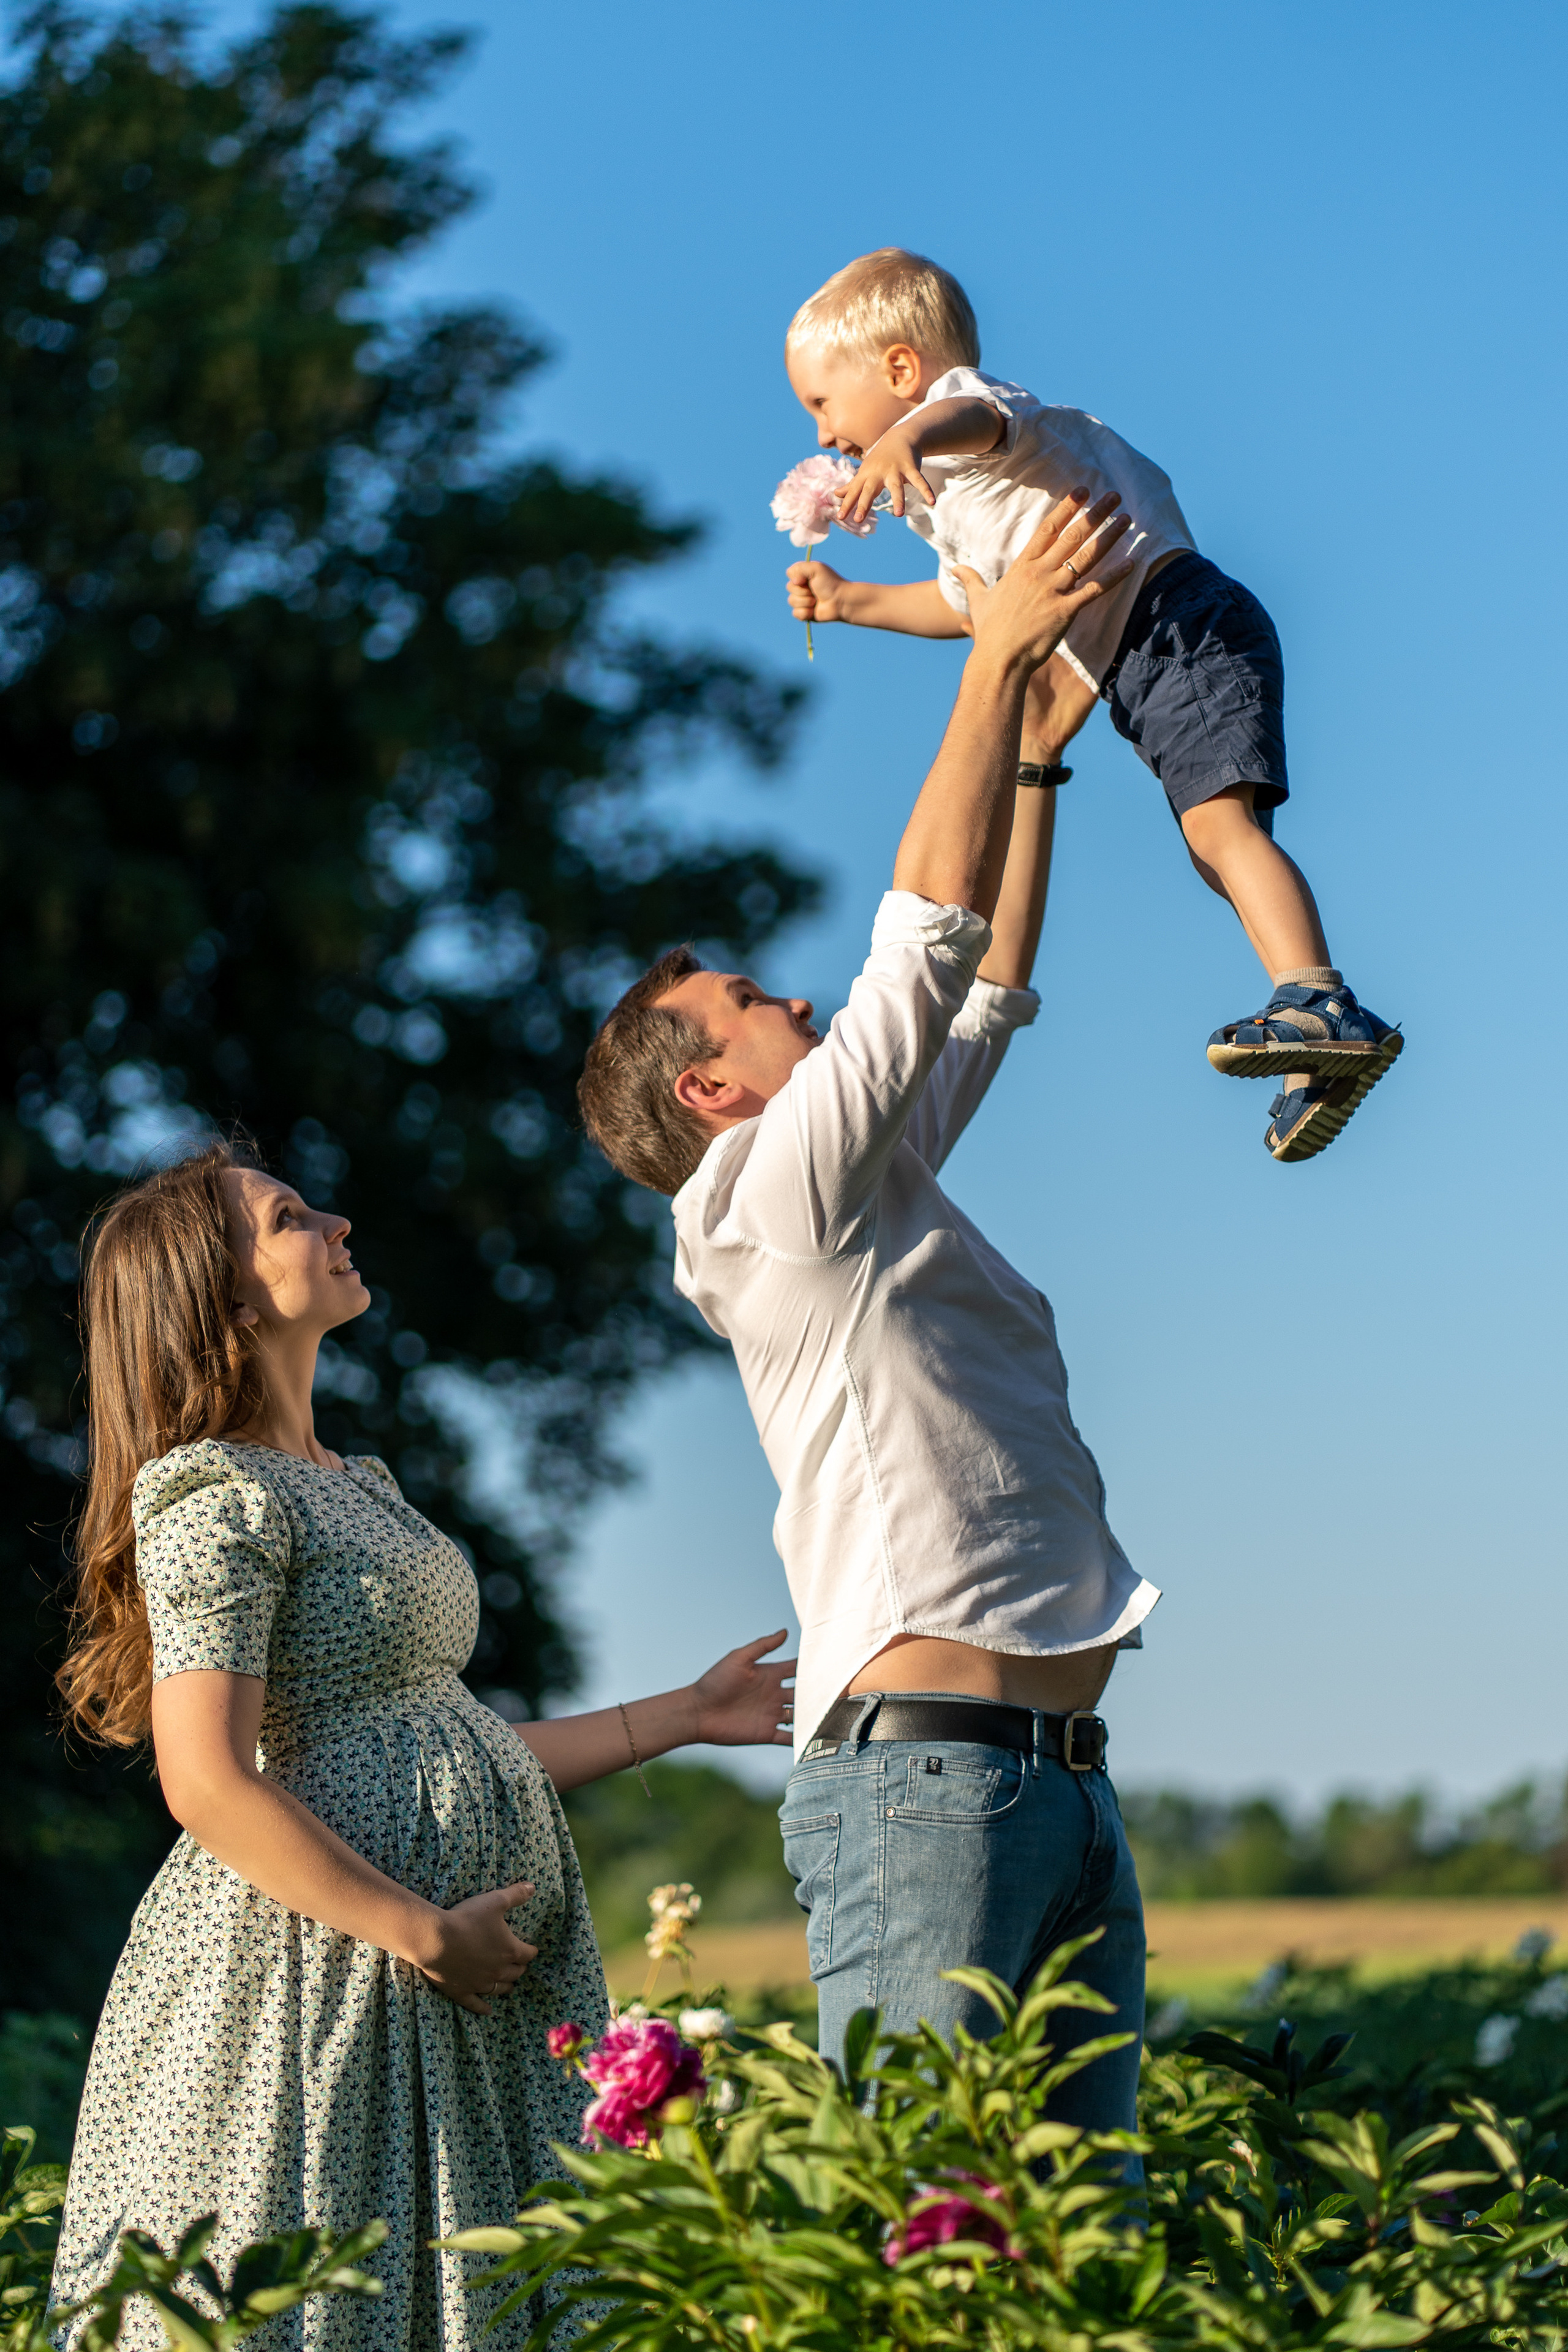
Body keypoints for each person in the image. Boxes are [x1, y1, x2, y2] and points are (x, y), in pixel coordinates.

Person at [579, 491, 1159, 2144]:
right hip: (930, 1790)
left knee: (1063, 2268)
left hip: (1046, 1787)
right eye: (760, 1007)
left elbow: (975, 999)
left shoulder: (857, 1180)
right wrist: (986, 662)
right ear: (709, 1089)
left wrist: (1037, 749)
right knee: (921, 2253)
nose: (803, 1002)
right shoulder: (767, 1198)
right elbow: (919, 947)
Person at [49, 1140, 793, 2350]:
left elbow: (444, 1745)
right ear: (223, 1294)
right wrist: (417, 1931)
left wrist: (685, 1716)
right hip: (327, 1979)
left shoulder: (362, 1483)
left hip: (442, 1981)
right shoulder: (212, 1495)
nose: (337, 1221)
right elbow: (203, 1781)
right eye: (291, 1218)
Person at [782, 247, 1401, 1165]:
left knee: (1222, 838)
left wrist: (908, 437)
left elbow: (971, 417)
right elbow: (964, 609)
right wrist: (848, 601)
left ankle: (1321, 1004)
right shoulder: (952, 512)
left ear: (903, 372)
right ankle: (1319, 1040)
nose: (824, 434)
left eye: (823, 404)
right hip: (1143, 662)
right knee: (1216, 852)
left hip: (1176, 620)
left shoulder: (982, 417)